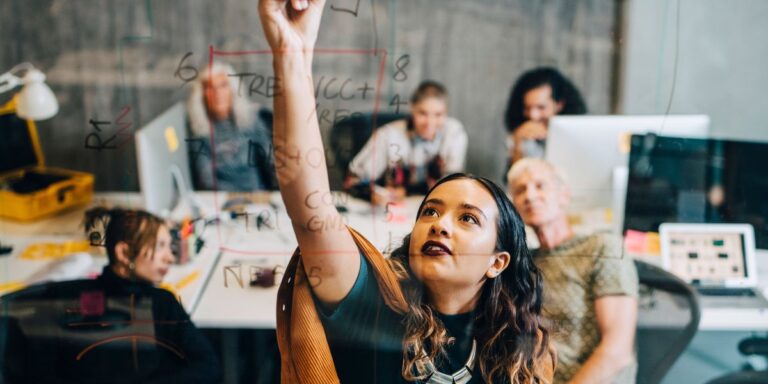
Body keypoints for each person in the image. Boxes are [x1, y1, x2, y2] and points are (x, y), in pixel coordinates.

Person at [260, 1, 554, 383]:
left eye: (467, 218)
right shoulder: (373, 306)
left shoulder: (517, 351)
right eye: (430, 211)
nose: (439, 225)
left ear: (497, 262)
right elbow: (309, 209)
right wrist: (291, 54)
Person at [0, 208, 221, 383]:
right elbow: (209, 367)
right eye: (160, 246)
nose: (170, 258)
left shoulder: (67, 296)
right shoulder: (160, 303)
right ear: (124, 253)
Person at [507, 158, 638, 384]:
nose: (529, 196)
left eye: (540, 186)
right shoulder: (524, 263)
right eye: (520, 190)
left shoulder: (601, 249)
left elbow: (617, 352)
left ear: (564, 196)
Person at [345, 80, 468, 205]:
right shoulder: (388, 135)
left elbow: (453, 184)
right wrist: (371, 195)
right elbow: (353, 181)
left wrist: (407, 191)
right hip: (389, 210)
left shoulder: (454, 133)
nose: (430, 122)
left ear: (446, 113)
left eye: (438, 114)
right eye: (423, 113)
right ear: (412, 109)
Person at [187, 61, 275, 191]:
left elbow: (271, 163)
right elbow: (205, 180)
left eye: (223, 86)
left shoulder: (252, 120)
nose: (217, 93)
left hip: (257, 197)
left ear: (233, 90)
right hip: (221, 201)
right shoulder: (199, 131)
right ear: (202, 95)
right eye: (210, 88)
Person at [504, 67, 587, 164]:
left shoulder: (579, 135)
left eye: (541, 107)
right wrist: (517, 144)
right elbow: (513, 177)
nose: (533, 115)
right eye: (527, 108)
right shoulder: (519, 134)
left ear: (559, 104)